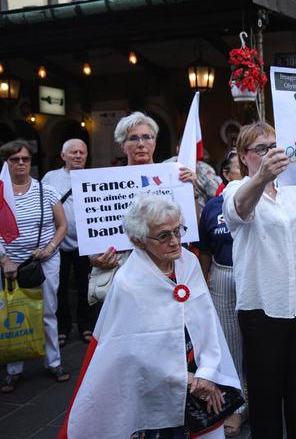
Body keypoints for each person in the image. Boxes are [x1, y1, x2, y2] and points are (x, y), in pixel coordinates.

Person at [60, 195, 241, 438]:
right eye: (164, 236)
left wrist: (207, 373)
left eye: (178, 231)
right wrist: (187, 380)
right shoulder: (128, 282)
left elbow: (207, 322)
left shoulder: (189, 263)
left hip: (197, 371)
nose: (176, 242)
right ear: (139, 240)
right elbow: (130, 350)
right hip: (155, 383)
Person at [223, 122, 296, 439]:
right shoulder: (236, 189)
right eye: (260, 148)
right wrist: (261, 177)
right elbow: (240, 210)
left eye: (274, 146)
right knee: (265, 396)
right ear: (244, 157)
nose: (270, 152)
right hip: (261, 307)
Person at [89, 111, 196, 287]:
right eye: (133, 138)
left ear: (155, 142)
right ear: (122, 145)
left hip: (167, 265)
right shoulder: (105, 182)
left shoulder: (176, 177)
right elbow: (94, 230)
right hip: (124, 267)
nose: (141, 144)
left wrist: (190, 191)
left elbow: (189, 227)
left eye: (147, 137)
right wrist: (95, 257)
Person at [0, 140, 69, 393]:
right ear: (6, 162)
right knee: (11, 315)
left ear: (31, 162)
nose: (20, 163)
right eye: (14, 159)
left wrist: (49, 248)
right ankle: (13, 369)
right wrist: (4, 259)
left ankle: (54, 362)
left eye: (25, 159)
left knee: (48, 311)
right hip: (8, 264)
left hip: (45, 260)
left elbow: (62, 225)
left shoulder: (46, 190)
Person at [196, 149, 245, 437]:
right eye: (240, 168)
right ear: (226, 174)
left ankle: (256, 399)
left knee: (257, 343)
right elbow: (204, 247)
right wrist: (204, 278)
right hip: (222, 276)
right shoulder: (213, 206)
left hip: (255, 278)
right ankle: (236, 407)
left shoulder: (262, 200)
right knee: (230, 344)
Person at [42, 139, 97, 347]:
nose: (78, 155)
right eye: (73, 152)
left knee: (86, 285)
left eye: (82, 152)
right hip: (57, 242)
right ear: (63, 155)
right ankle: (63, 327)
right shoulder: (50, 178)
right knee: (59, 287)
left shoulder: (93, 177)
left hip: (86, 243)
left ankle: (85, 325)